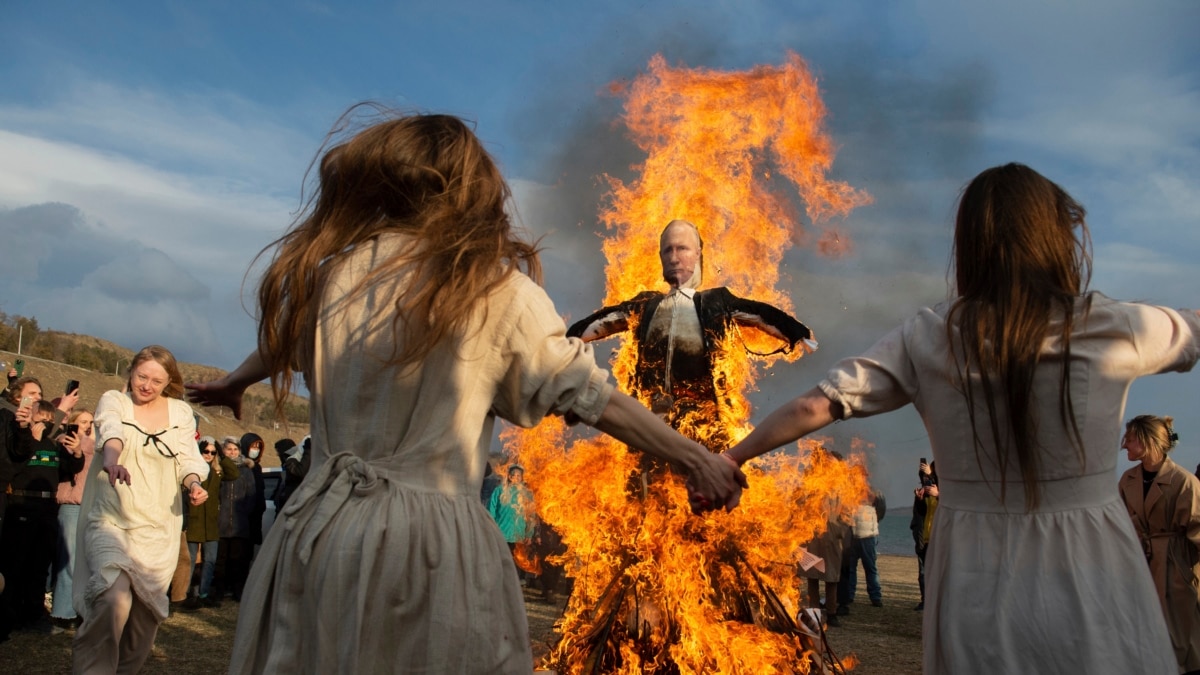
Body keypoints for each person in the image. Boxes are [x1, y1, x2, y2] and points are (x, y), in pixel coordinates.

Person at [184, 109, 745, 674]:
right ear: (469, 189)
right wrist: (697, 459)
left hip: (316, 535)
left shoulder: (330, 275)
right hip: (427, 549)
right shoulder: (493, 289)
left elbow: (283, 343)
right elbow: (593, 397)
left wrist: (237, 381)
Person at [717, 163, 1199, 674]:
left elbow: (819, 404)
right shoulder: (1113, 324)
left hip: (976, 567)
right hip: (1093, 562)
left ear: (970, 245)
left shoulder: (929, 337)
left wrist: (731, 458)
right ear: (1057, 237)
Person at [567, 218, 814, 452]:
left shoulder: (715, 301)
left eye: (682, 249)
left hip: (704, 418)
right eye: (668, 250)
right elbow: (603, 320)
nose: (674, 257)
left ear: (697, 254)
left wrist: (797, 334)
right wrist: (566, 340)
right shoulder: (645, 305)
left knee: (705, 475)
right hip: (652, 418)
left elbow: (759, 314)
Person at [72, 345, 209, 674]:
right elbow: (111, 434)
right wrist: (112, 462)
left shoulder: (179, 413)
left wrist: (193, 484)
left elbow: (188, 458)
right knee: (112, 599)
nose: (147, 385)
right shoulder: (114, 400)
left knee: (143, 621)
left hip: (159, 527)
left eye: (156, 380)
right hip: (112, 519)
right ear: (131, 372)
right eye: (141, 376)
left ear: (168, 382)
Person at [1118, 415, 1200, 673]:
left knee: (1182, 641)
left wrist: (1190, 574)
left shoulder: (1183, 481)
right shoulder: (1127, 480)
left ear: (1146, 441)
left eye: (1129, 439)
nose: (1124, 445)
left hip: (1177, 567)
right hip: (1139, 567)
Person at [0, 400, 85, 637]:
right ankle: (9, 615)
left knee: (39, 565)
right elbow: (14, 466)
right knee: (15, 565)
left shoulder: (54, 445)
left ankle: (34, 615)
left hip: (48, 508)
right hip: (22, 505)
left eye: (50, 420)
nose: (45, 424)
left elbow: (71, 469)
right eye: (41, 419)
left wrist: (77, 452)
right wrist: (30, 440)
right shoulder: (21, 444)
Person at [50, 408, 96, 631]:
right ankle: (62, 612)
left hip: (90, 508)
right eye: (83, 421)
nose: (88, 425)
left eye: (91, 422)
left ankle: (78, 609)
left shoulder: (94, 446)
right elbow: (76, 448)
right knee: (69, 562)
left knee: (85, 563)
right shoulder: (67, 440)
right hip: (71, 507)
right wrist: (90, 438)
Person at [185, 436, 240, 608]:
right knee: (190, 560)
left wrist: (222, 457)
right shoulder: (192, 470)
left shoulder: (217, 470)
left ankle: (203, 593)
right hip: (194, 520)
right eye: (206, 451)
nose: (209, 455)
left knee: (210, 560)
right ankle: (186, 594)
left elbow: (234, 474)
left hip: (211, 523)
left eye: (212, 452)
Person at [215, 435, 256, 602]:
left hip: (239, 524)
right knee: (220, 560)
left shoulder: (246, 471)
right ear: (223, 451)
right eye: (229, 449)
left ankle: (237, 591)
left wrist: (243, 513)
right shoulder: (218, 469)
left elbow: (251, 495)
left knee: (237, 561)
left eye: (235, 449)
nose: (232, 452)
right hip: (221, 523)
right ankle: (218, 591)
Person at [839, 484, 885, 612]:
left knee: (870, 568)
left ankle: (875, 597)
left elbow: (881, 511)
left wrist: (872, 523)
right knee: (850, 569)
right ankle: (849, 595)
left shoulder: (875, 492)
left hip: (868, 536)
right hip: (852, 536)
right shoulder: (848, 492)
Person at [910, 460, 938, 611]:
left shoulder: (942, 490)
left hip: (940, 539)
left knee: (938, 574)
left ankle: (935, 604)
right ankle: (926, 601)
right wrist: (920, 499)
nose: (925, 479)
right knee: (925, 572)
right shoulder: (927, 492)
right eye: (923, 476)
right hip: (926, 538)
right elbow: (921, 514)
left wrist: (938, 493)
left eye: (928, 475)